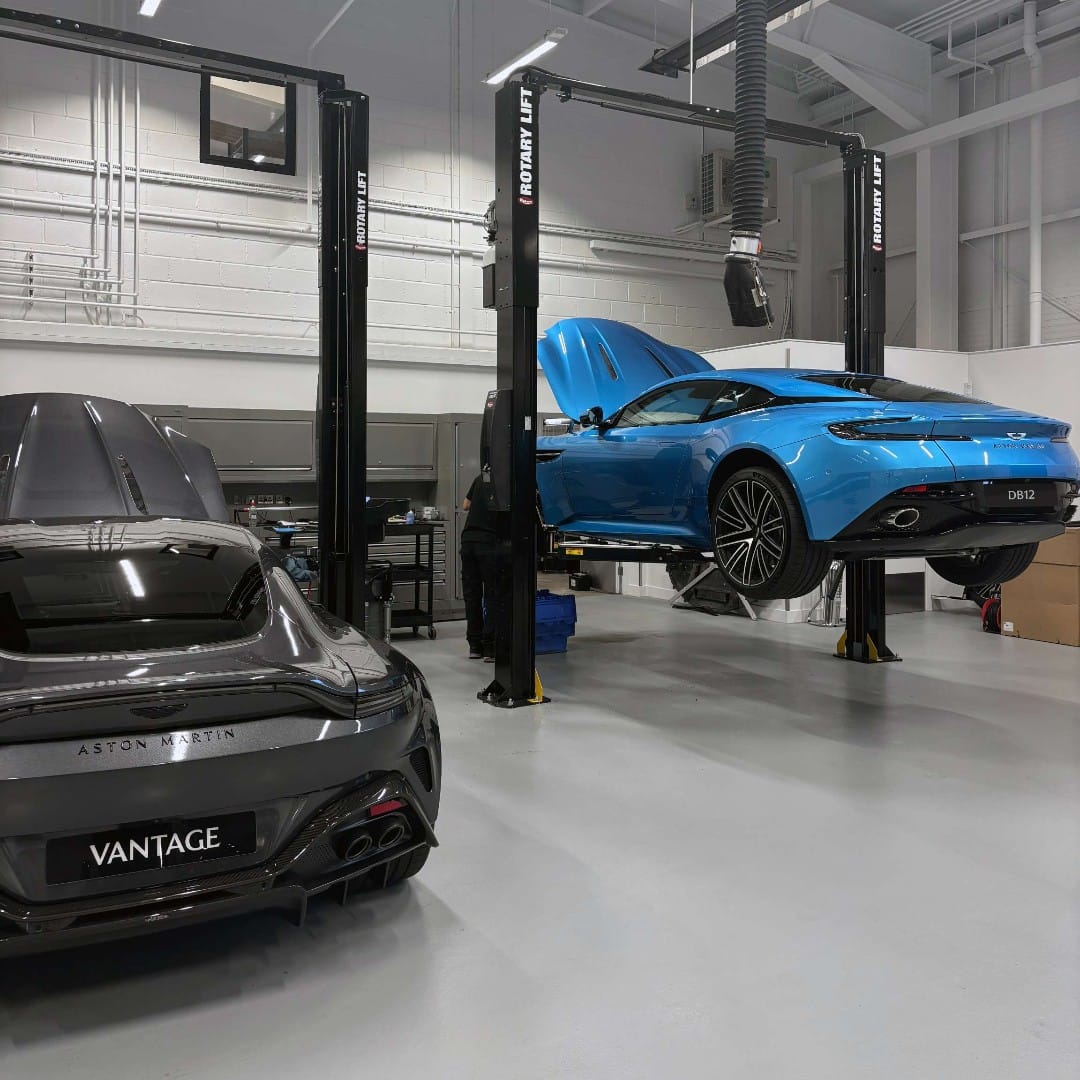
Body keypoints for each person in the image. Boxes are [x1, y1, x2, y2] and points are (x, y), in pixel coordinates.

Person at [460, 474, 500, 662]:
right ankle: (491, 647)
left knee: (472, 595)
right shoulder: (506, 480)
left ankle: (475, 646)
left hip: (468, 541)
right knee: (492, 593)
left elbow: (465, 505)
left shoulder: (479, 478)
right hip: (489, 543)